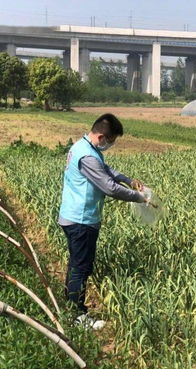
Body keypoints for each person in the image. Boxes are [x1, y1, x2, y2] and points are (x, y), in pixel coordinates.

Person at [58, 113, 146, 330]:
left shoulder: (85, 148)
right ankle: (78, 317)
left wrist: (127, 179)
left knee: (76, 264)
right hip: (81, 220)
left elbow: (105, 170)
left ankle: (69, 305)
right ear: (101, 137)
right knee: (81, 267)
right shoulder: (87, 156)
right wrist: (140, 197)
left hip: (74, 216)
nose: (111, 145)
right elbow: (109, 187)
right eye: (112, 141)